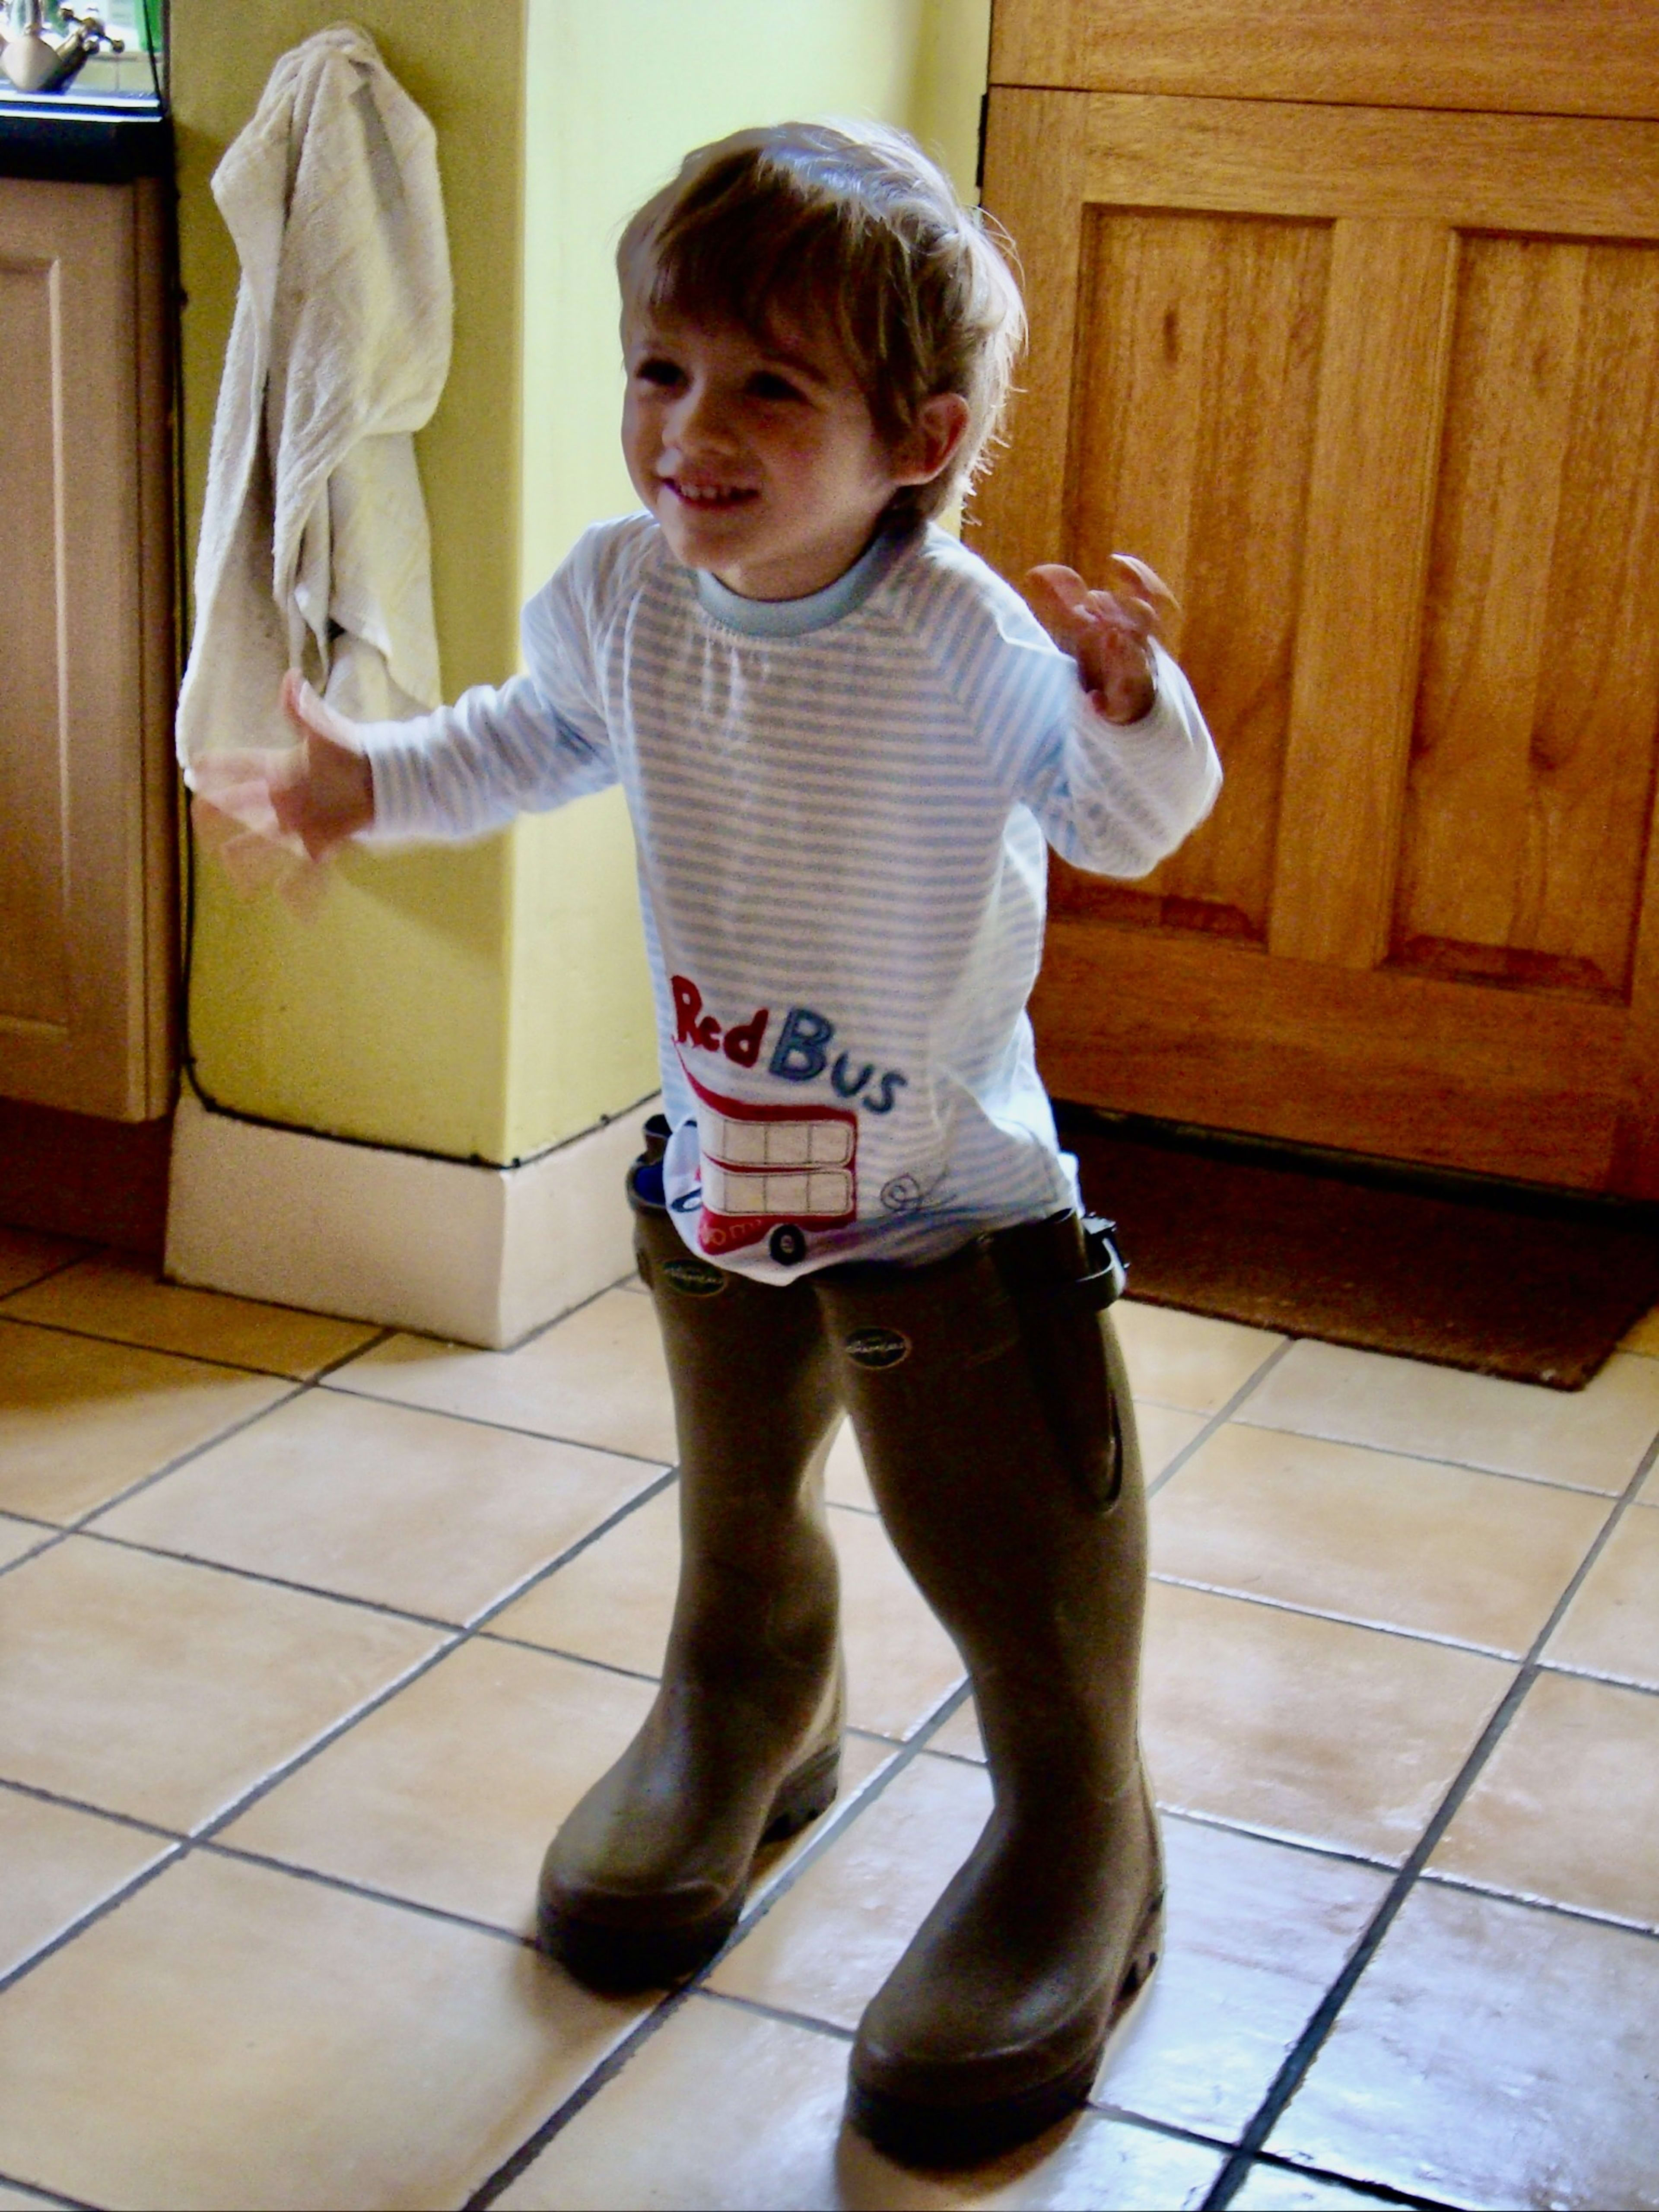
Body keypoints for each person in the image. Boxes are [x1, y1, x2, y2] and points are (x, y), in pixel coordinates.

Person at [191, 120, 1221, 2166]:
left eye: (770, 384)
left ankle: (1075, 1822)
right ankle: (750, 1696)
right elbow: (526, 736)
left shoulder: (959, 648)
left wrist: (1135, 707)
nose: (694, 429)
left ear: (918, 438)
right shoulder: (626, 599)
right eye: (665, 369)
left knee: (992, 1536)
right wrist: (358, 784)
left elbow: (1121, 821)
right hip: (728, 1162)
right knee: (742, 1494)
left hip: (944, 1199)